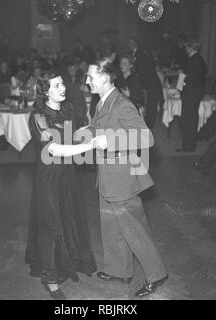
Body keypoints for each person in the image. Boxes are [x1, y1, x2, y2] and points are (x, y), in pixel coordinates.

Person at [85, 58, 168, 298]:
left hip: (122, 177)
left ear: (104, 77)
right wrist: (82, 134)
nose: (86, 81)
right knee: (110, 225)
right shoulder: (103, 101)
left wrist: (109, 141)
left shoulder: (121, 103)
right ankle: (120, 270)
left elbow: (146, 138)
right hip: (108, 174)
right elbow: (95, 128)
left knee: (134, 227)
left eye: (90, 76)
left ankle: (157, 273)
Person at [25, 73, 97, 300]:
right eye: (56, 85)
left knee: (69, 218)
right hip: (48, 176)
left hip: (68, 174)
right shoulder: (38, 116)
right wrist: (87, 147)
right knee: (51, 224)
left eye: (62, 83)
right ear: (45, 90)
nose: (62, 87)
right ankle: (50, 279)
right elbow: (53, 149)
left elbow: (74, 136)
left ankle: (69, 265)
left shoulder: (67, 111)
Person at [176, 38, 207, 152]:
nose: (185, 49)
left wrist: (182, 74)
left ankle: (188, 146)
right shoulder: (198, 59)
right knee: (191, 119)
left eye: (186, 47)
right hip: (194, 94)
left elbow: (191, 78)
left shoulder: (194, 60)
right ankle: (189, 145)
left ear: (190, 47)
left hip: (191, 94)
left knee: (188, 120)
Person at [128, 37, 164, 129]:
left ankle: (150, 125)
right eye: (129, 43)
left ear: (136, 43)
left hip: (152, 83)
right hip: (149, 82)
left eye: (132, 42)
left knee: (152, 105)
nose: (130, 45)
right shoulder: (136, 53)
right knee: (150, 104)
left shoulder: (140, 54)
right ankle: (148, 124)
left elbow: (141, 71)